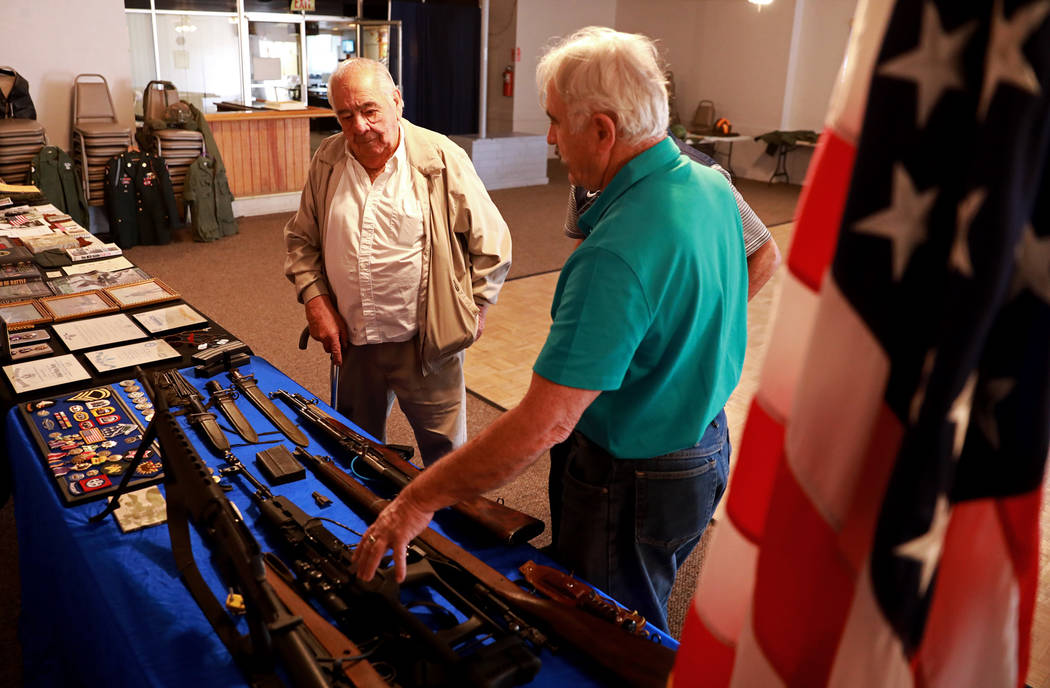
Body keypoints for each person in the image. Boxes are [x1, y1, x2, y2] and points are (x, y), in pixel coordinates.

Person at [352, 27, 749, 634]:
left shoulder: (615, 253)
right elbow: (749, 267)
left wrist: (416, 500)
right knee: (647, 596)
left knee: (606, 632)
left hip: (634, 474)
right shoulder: (711, 185)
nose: (550, 139)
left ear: (603, 130)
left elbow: (546, 423)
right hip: (707, 445)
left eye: (556, 122)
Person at [284, 58, 512, 466]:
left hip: (425, 346)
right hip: (353, 343)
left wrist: (475, 309)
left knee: (446, 459)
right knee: (355, 452)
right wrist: (315, 300)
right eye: (345, 115)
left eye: (369, 111)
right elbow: (302, 240)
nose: (359, 126)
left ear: (396, 101)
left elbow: (492, 242)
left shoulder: (441, 157)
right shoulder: (329, 158)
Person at [565, 136, 781, 300]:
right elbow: (583, 239)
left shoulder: (704, 178)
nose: (551, 138)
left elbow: (766, 253)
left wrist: (723, 319)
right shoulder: (586, 172)